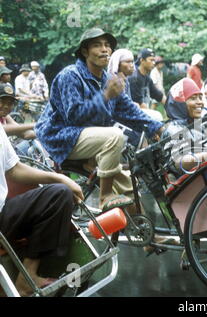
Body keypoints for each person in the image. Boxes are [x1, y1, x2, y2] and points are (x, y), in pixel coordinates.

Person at [35, 27, 164, 214]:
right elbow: (74, 116)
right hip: (61, 136)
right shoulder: (70, 75)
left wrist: (158, 128)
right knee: (114, 136)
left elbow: (128, 111)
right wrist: (105, 96)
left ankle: (147, 236)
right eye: (97, 45)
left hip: (92, 137)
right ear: (85, 51)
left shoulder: (108, 79)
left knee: (130, 185)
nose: (104, 49)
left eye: (107, 46)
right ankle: (105, 197)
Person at [0, 83, 83, 296]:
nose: (5, 106)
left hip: (3, 213)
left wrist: (59, 178)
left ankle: (27, 277)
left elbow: (15, 169)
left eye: (9, 102)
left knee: (59, 194)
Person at [128, 48, 165, 121]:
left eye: (154, 60)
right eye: (151, 60)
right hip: (133, 115)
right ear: (142, 60)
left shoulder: (147, 78)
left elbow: (159, 95)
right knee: (157, 116)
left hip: (143, 113)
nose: (154, 63)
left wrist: (173, 108)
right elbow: (139, 103)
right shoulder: (134, 78)